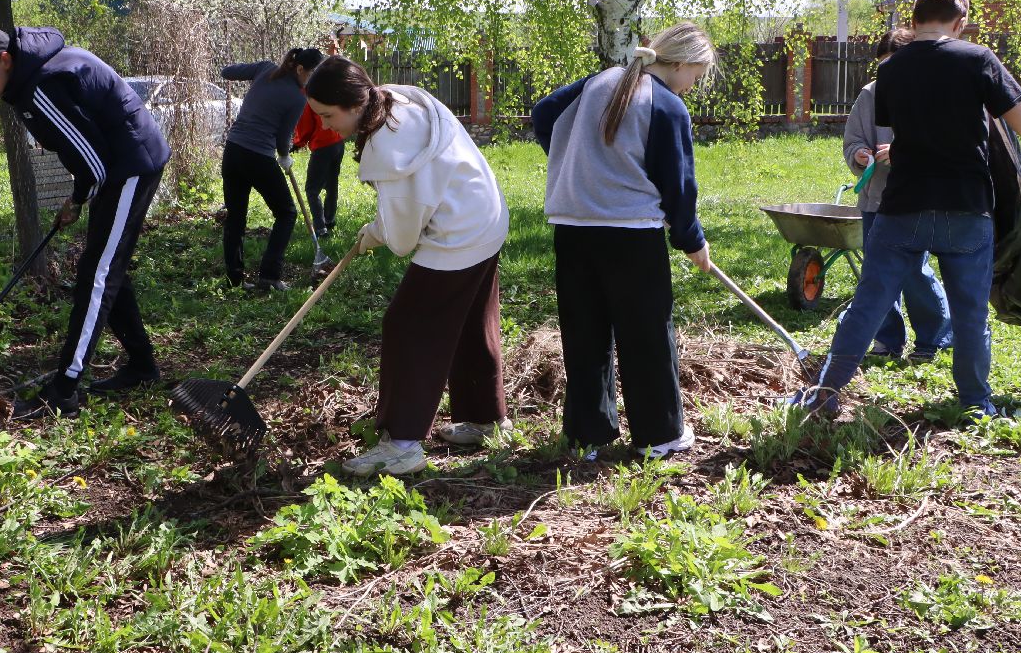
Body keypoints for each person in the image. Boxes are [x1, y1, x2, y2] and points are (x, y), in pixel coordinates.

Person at [786, 0, 1021, 419]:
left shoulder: (891, 71)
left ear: (914, 21)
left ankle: (825, 392)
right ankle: (976, 402)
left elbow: (901, 138)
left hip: (902, 207)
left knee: (868, 303)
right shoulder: (978, 58)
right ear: (960, 23)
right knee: (969, 313)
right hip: (966, 206)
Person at [304, 57, 510, 476]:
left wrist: (377, 233)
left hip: (458, 232)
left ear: (353, 102)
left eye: (328, 115)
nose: (326, 126)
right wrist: (376, 227)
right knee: (470, 320)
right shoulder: (395, 101)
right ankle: (486, 419)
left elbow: (401, 237)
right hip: (484, 212)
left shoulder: (387, 148)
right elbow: (416, 199)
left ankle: (401, 443)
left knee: (408, 325)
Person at [0, 26, 171, 419]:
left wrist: (78, 198)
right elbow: (86, 152)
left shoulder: (43, 85)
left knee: (98, 273)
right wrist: (82, 195)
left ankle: (65, 390)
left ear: (4, 59)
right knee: (105, 265)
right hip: (115, 165)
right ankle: (141, 367)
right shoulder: (29, 80)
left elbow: (92, 162)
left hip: (131, 163)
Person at [532, 23, 715, 463]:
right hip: (631, 237)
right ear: (680, 63)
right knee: (647, 335)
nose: (695, 85)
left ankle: (587, 436)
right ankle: (659, 436)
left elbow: (543, 114)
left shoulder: (599, 81)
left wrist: (576, 160)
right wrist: (692, 240)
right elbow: (679, 185)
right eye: (698, 74)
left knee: (584, 333)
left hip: (573, 230)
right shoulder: (667, 106)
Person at [841, 28, 953, 362]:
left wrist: (900, 151)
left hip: (914, 198)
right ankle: (888, 339)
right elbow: (853, 140)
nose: (888, 73)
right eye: (883, 66)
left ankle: (934, 337)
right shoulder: (870, 95)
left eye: (894, 64)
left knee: (913, 269)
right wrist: (860, 154)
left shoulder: (931, 96)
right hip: (876, 199)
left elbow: (939, 147)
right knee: (876, 270)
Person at [220, 48, 324, 290]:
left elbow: (226, 72)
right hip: (257, 157)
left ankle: (234, 280)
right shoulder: (298, 97)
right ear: (299, 69)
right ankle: (269, 276)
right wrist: (285, 156)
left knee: (235, 217)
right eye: (311, 75)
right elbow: (282, 137)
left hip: (233, 151)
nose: (312, 82)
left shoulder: (265, 68)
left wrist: (255, 76)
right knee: (287, 213)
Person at [292, 37, 348, 237]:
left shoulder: (309, 92)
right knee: (332, 183)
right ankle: (330, 219)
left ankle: (320, 227)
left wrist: (298, 142)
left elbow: (306, 123)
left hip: (323, 145)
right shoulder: (330, 84)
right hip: (338, 142)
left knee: (312, 189)